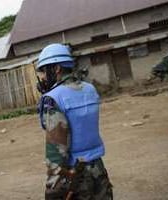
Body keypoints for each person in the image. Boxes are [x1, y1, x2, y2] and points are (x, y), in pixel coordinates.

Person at [36, 43, 113, 200]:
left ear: (56, 68)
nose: (43, 76)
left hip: (73, 173)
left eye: (44, 70)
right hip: (97, 167)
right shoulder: (90, 89)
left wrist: (53, 188)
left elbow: (56, 152)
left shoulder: (54, 98)